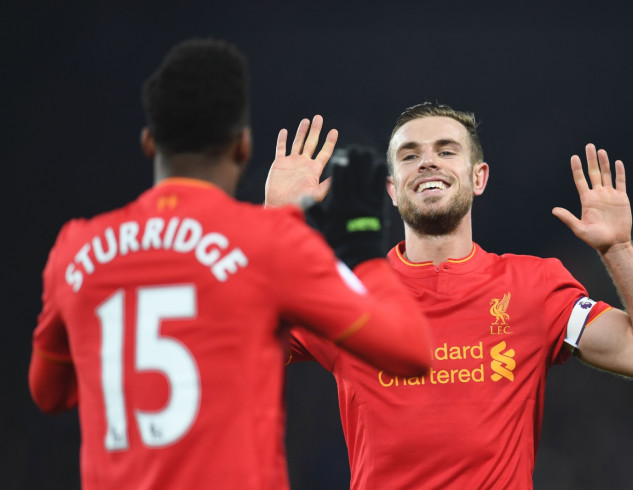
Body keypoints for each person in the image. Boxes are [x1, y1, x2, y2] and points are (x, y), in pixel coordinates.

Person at [28, 39, 433, 490]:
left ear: (148, 142)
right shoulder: (269, 245)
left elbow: (49, 392)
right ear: (242, 146)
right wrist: (362, 253)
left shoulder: (75, 249)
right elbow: (410, 352)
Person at [266, 101, 633, 489]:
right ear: (393, 190)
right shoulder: (347, 290)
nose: (427, 162)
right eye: (409, 155)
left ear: (478, 178)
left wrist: (618, 249)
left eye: (446, 150)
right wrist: (272, 227)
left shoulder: (535, 285)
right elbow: (226, 341)